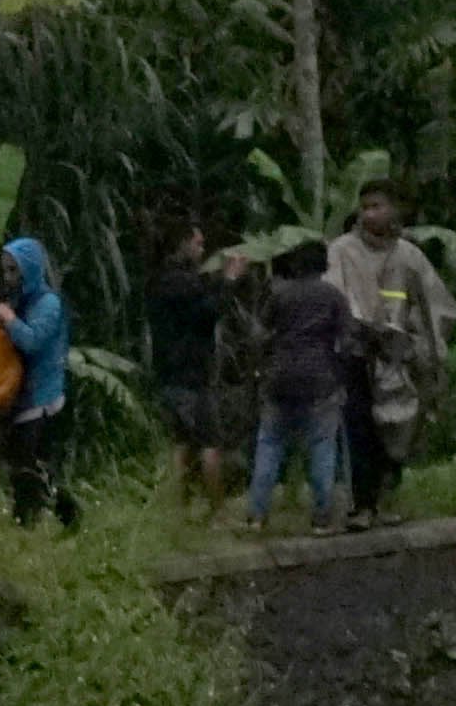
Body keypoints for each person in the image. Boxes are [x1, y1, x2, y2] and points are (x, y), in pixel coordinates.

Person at [327, 179, 456, 527]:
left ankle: (386, 498)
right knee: (359, 429)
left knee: (399, 430)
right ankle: (363, 506)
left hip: (400, 359)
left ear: (394, 210)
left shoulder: (410, 255)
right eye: (365, 207)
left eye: (377, 206)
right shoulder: (341, 250)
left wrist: (421, 347)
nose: (370, 214)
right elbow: (333, 297)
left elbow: (436, 307)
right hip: (356, 354)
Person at [239, 239, 356, 534]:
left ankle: (256, 515)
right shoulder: (333, 296)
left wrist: (262, 365)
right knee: (321, 447)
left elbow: (258, 335)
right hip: (320, 379)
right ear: (324, 265)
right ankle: (322, 517)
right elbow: (347, 341)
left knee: (269, 446)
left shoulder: (280, 295)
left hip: (279, 378)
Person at [0, 235, 82, 532]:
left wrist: (9, 320)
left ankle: (41, 520)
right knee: (27, 465)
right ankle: (43, 519)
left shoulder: (47, 303)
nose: (9, 277)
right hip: (19, 394)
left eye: (14, 270)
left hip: (42, 396)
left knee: (31, 465)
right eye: (6, 270)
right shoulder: (17, 299)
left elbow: (32, 341)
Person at [144, 221, 240, 504]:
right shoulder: (182, 282)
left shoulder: (158, 279)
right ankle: (217, 510)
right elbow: (208, 313)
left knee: (181, 443)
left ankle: (178, 507)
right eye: (198, 244)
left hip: (168, 370)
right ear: (182, 244)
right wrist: (229, 279)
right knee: (210, 444)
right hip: (192, 372)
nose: (202, 250)